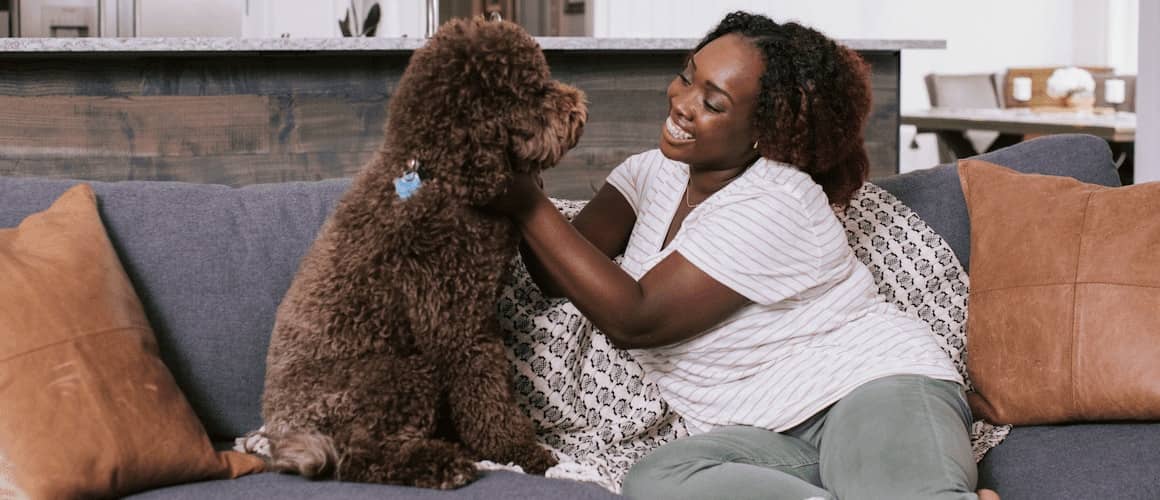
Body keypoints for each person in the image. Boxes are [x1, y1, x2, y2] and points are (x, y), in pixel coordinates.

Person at [487, 11, 999, 500]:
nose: (682, 104)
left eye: (713, 103)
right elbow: (558, 273)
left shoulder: (777, 201)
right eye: (686, 78)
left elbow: (635, 318)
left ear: (764, 131)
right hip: (762, 430)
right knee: (658, 479)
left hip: (869, 389)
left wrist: (524, 200)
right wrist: (517, 168)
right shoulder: (651, 173)